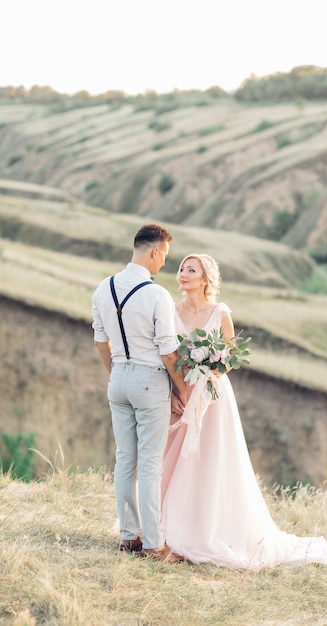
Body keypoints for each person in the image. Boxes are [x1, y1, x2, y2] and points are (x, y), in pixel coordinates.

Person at [161, 253, 327, 570]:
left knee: (210, 460)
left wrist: (209, 375)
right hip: (181, 395)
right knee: (173, 459)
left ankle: (207, 529)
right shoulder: (170, 312)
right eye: (181, 268)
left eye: (191, 270)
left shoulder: (220, 313)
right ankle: (163, 527)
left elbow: (229, 359)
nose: (183, 274)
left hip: (213, 397)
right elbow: (168, 356)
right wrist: (176, 392)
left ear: (206, 279)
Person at [92, 224, 187, 564]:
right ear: (155, 251)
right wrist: (182, 389)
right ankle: (155, 545)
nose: (164, 263)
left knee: (125, 460)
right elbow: (168, 351)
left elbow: (100, 340)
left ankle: (129, 537)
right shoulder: (157, 295)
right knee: (149, 464)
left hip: (118, 377)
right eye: (165, 256)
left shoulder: (104, 288)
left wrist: (118, 371)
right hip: (150, 380)